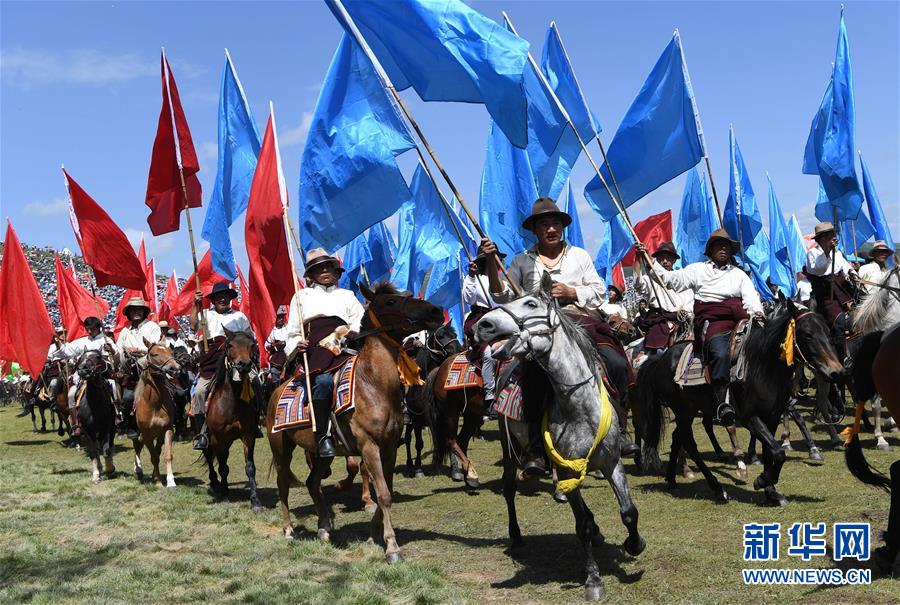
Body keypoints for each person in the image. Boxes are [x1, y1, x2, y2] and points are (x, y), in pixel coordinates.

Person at [481, 197, 638, 474]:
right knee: (529, 378)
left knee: (614, 362)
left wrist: (572, 292)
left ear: (562, 227)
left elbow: (599, 291)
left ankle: (620, 430)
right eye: (544, 224)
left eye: (555, 223)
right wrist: (492, 263)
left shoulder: (579, 255)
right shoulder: (521, 261)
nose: (551, 229)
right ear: (536, 230)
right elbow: (501, 294)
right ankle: (534, 448)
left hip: (580, 320)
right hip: (540, 328)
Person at [636, 228, 763, 427]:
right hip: (714, 323)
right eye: (718, 245)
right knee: (720, 353)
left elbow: (751, 297)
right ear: (710, 250)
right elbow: (671, 280)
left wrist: (757, 312)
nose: (723, 248)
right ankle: (722, 403)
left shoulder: (739, 275)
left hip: (740, 320)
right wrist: (648, 261)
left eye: (726, 246)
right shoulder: (697, 270)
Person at [285, 249, 364, 459]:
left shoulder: (347, 295)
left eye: (329, 266)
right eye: (320, 268)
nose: (326, 270)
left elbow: (359, 319)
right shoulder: (301, 296)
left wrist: (350, 331)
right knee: (325, 382)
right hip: (316, 350)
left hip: (346, 345)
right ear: (311, 275)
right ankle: (323, 435)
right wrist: (297, 343)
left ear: (337, 272)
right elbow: (292, 331)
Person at [190, 281, 257, 450]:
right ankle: (202, 433)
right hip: (212, 359)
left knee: (256, 382)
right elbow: (192, 325)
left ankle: (254, 423)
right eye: (219, 297)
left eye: (226, 297)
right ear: (213, 300)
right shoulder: (205, 314)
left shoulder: (239, 316)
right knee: (199, 391)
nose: (223, 300)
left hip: (237, 357)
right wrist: (195, 306)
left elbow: (250, 336)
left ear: (230, 299)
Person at [50, 316, 117, 437]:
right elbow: (66, 351)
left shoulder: (106, 340)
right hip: (83, 377)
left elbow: (117, 354)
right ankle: (76, 425)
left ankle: (118, 415)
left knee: (113, 387)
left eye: (92, 329)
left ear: (98, 328)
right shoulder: (82, 341)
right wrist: (58, 343)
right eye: (88, 329)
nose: (90, 332)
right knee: (71, 394)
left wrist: (111, 349)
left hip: (102, 375)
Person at [632, 242, 694, 354]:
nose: (665, 261)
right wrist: (638, 258)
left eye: (669, 258)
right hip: (660, 320)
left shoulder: (681, 278)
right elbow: (638, 284)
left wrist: (686, 312)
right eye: (661, 258)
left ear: (674, 260)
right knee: (658, 351)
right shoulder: (649, 279)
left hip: (682, 322)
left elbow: (690, 302)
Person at [462, 252, 504, 409]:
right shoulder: (474, 279)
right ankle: (490, 394)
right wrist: (472, 277)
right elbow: (469, 299)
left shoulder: (504, 279)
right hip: (482, 320)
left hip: (502, 320)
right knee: (489, 354)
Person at [116, 297, 162, 439]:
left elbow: (155, 346)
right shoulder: (125, 331)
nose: (136, 312)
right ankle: (131, 425)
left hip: (150, 368)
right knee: (127, 398)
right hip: (131, 371)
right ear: (129, 313)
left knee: (177, 393)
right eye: (133, 310)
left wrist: (138, 349)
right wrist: (114, 351)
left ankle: (177, 421)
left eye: (139, 309)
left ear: (144, 311)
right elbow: (118, 349)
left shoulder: (153, 327)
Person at [805, 221, 859, 326]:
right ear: (822, 237)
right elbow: (819, 270)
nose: (834, 236)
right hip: (827, 296)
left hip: (843, 291)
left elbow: (845, 265)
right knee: (840, 322)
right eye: (830, 234)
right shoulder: (812, 253)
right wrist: (827, 250)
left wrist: (852, 272)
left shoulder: (837, 253)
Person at [265, 305, 290, 373]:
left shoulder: (289, 327)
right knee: (274, 371)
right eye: (279, 317)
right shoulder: (272, 331)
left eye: (282, 317)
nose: (281, 319)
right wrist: (276, 344)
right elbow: (266, 346)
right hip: (278, 355)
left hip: (290, 352)